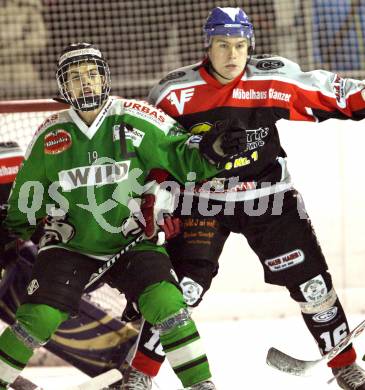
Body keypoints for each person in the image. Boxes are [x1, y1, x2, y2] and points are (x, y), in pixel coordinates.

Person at [122, 6, 365, 390]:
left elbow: (331, 91)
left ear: (250, 44)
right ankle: (139, 376)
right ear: (208, 44)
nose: (232, 55)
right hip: (201, 201)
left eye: (240, 45)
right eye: (222, 44)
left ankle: (347, 368)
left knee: (312, 285)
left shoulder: (270, 78)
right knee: (180, 292)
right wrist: (157, 203)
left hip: (268, 199)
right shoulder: (173, 93)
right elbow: (152, 156)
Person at [0, 42, 245, 390]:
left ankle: (200, 384)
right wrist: (11, 230)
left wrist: (213, 150)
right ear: (63, 86)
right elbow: (28, 199)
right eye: (74, 77)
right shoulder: (49, 135)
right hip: (69, 247)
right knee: (37, 319)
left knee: (168, 302)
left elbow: (182, 152)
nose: (84, 83)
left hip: (131, 243)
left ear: (104, 79)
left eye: (90, 75)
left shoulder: (135, 118)